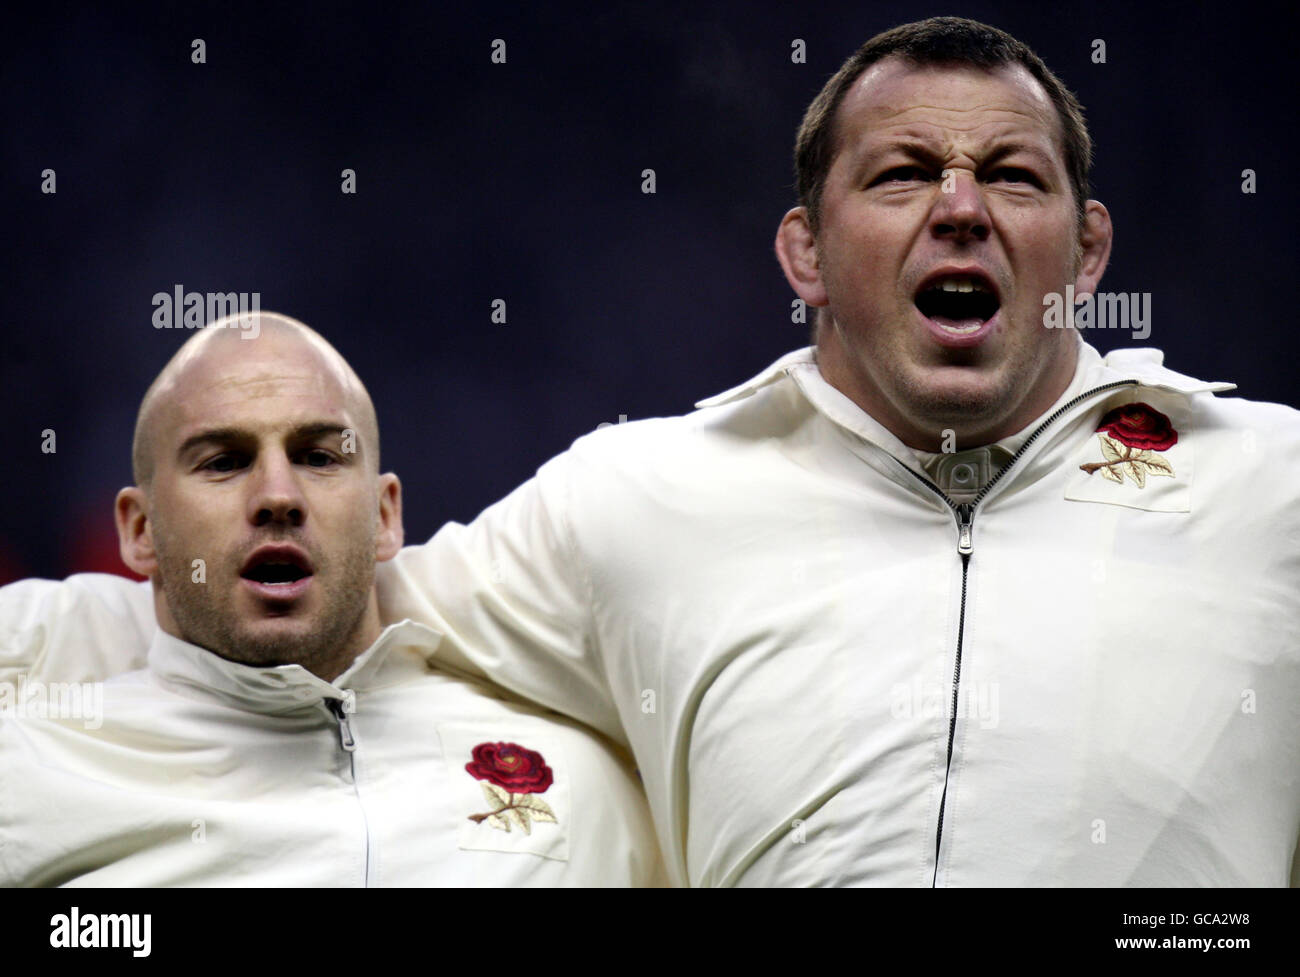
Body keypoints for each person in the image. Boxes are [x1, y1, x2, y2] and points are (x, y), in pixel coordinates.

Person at [6, 17, 1298, 888]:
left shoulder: (1275, 488)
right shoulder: (637, 501)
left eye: (1012, 176)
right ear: (804, 252)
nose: (959, 206)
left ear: (1088, 249)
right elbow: (325, 601)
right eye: (902, 174)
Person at [0, 314, 666, 886]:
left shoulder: (582, 786)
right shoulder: (33, 780)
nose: (277, 495)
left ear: (385, 517)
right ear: (140, 530)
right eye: (224, 461)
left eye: (319, 457)